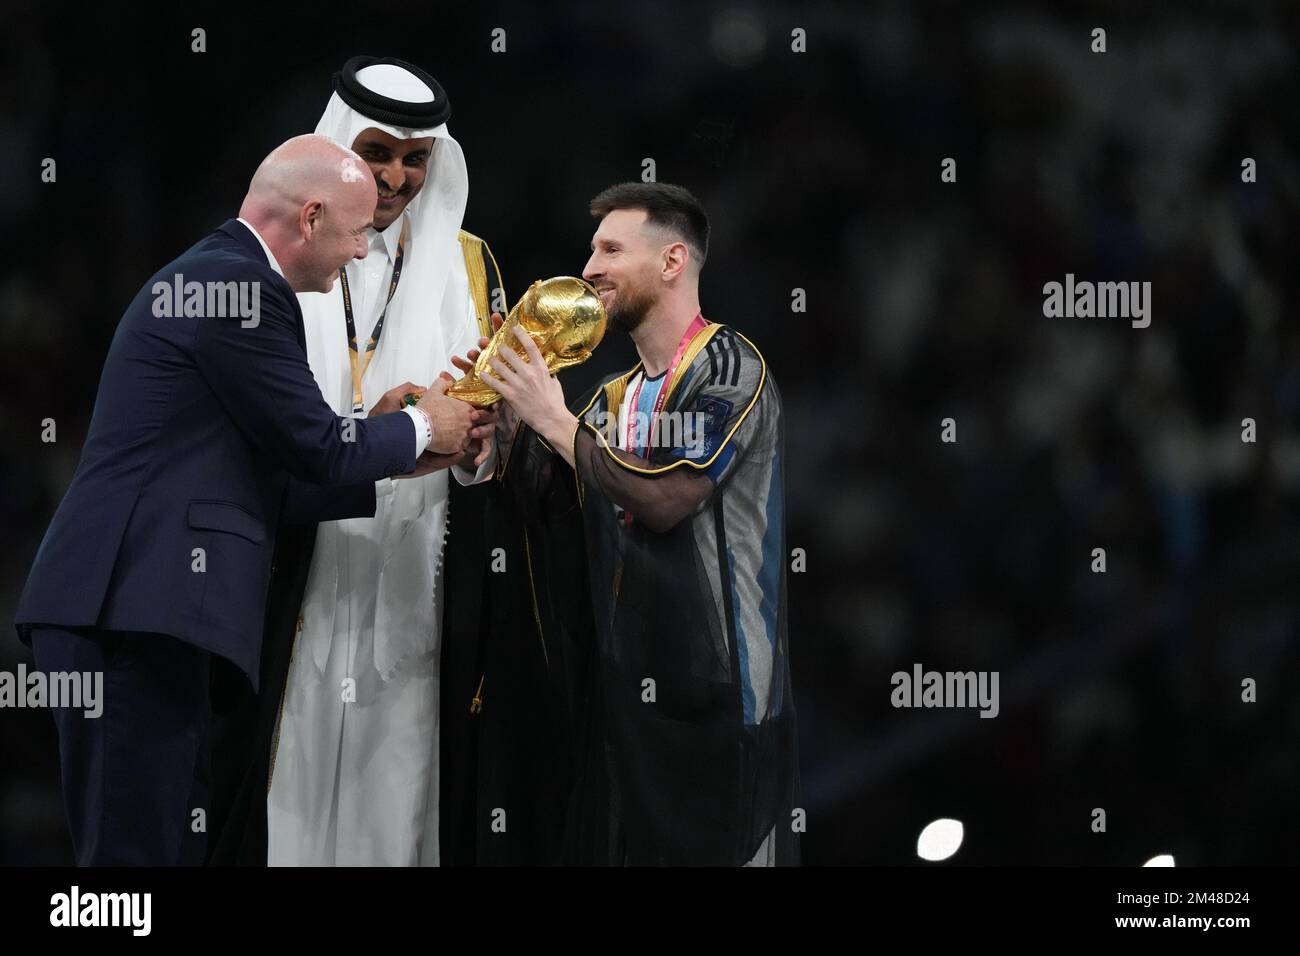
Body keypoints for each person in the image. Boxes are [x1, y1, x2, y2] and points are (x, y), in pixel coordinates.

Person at [13, 134, 486, 866]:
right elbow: (316, 445)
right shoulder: (241, 290)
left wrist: (407, 449)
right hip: (130, 609)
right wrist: (425, 421)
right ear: (311, 216)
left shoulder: (218, 279)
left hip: (136, 609)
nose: (362, 251)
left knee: (154, 847)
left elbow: (271, 479)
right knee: (130, 860)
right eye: (359, 231)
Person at [205, 56, 506, 867]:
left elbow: (493, 430)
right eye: (377, 154)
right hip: (289, 563)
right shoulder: (281, 252)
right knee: (278, 789)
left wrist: (478, 446)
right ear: (339, 146)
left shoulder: (468, 264)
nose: (398, 177)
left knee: (397, 797)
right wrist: (389, 430)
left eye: (417, 160)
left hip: (411, 574)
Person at [477, 182, 800, 865]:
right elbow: (549, 504)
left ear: (672, 262)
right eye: (591, 248)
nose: (588, 266)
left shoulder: (730, 367)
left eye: (610, 248)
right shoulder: (609, 400)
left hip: (723, 705)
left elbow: (668, 499)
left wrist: (553, 420)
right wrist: (503, 429)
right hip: (627, 707)